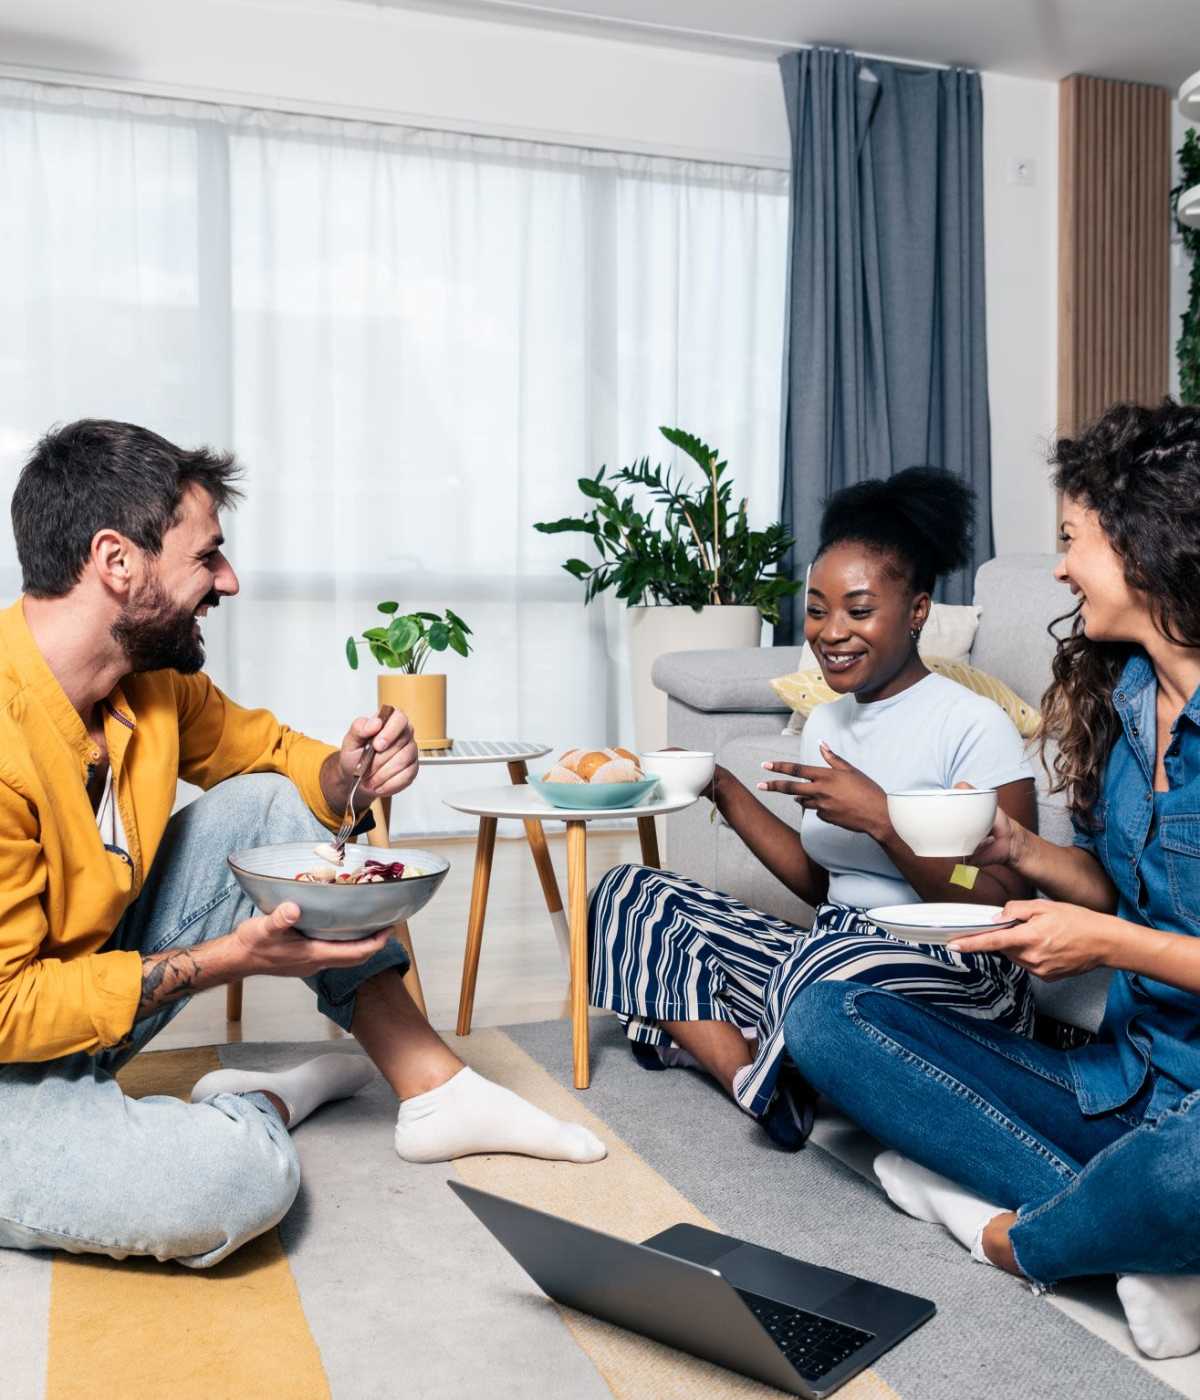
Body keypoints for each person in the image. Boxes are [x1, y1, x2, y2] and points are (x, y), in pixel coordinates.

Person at [0, 419, 604, 1271]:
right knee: (227, 1187)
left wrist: (348, 771)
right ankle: (254, 1109)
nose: (229, 579)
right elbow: (8, 1008)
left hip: (80, 1002)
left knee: (264, 805)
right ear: (117, 560)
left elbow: (275, 761)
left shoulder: (151, 684)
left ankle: (435, 1089)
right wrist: (227, 959)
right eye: (207, 556)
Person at [784, 400, 1200, 1360]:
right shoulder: (1127, 702)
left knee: (1185, 1175)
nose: (1057, 567)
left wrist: (1109, 946)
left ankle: (1017, 1236)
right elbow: (1110, 887)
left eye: (1072, 540)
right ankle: (1142, 1240)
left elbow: (1118, 930)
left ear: (1149, 543)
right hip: (1122, 1084)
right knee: (826, 1020)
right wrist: (1027, 857)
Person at [589, 467, 1038, 1148]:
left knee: (822, 967)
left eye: (859, 610)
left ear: (916, 612)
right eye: (818, 609)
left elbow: (1005, 899)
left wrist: (885, 822)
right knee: (628, 895)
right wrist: (723, 790)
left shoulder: (973, 725)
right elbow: (824, 882)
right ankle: (754, 1079)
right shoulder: (828, 722)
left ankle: (748, 1036)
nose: (832, 632)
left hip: (959, 970)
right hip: (834, 948)